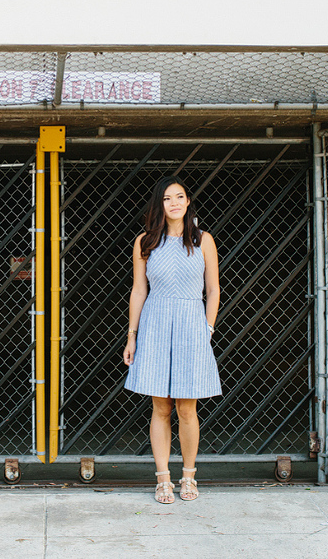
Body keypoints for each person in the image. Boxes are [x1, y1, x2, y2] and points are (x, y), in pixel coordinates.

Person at [122, 175, 222, 503]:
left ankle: (189, 476)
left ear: (188, 201)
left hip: (192, 325)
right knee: (161, 406)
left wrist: (207, 329)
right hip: (155, 323)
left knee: (187, 406)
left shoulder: (204, 240)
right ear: (159, 205)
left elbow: (213, 289)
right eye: (167, 198)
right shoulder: (145, 242)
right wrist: (132, 336)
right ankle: (163, 478)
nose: (174, 202)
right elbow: (139, 290)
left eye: (179, 196)